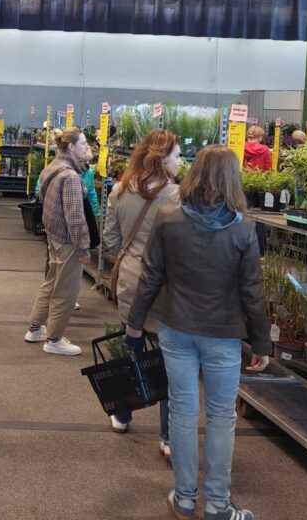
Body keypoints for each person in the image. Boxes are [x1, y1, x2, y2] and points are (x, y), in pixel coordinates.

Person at [126, 145, 271, 520]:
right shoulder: (244, 228)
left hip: (176, 329)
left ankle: (185, 499)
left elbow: (150, 275)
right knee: (222, 416)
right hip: (223, 334)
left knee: (183, 411)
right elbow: (252, 291)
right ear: (232, 178)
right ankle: (218, 505)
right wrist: (261, 342)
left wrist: (135, 322)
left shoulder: (168, 218)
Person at [102, 130, 182, 454]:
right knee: (169, 361)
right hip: (166, 286)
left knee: (129, 349)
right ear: (162, 159)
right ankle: (167, 437)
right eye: (177, 155)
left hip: (130, 281)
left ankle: (122, 415)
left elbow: (109, 240)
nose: (181, 162)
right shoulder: (178, 196)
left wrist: (131, 255)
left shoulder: (120, 191)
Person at [25, 127, 92, 356]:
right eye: (83, 143)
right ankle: (54, 339)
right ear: (71, 147)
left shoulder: (52, 167)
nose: (87, 147)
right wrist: (83, 248)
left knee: (52, 282)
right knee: (66, 290)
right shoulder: (70, 177)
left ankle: (35, 328)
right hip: (68, 240)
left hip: (53, 235)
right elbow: (75, 217)